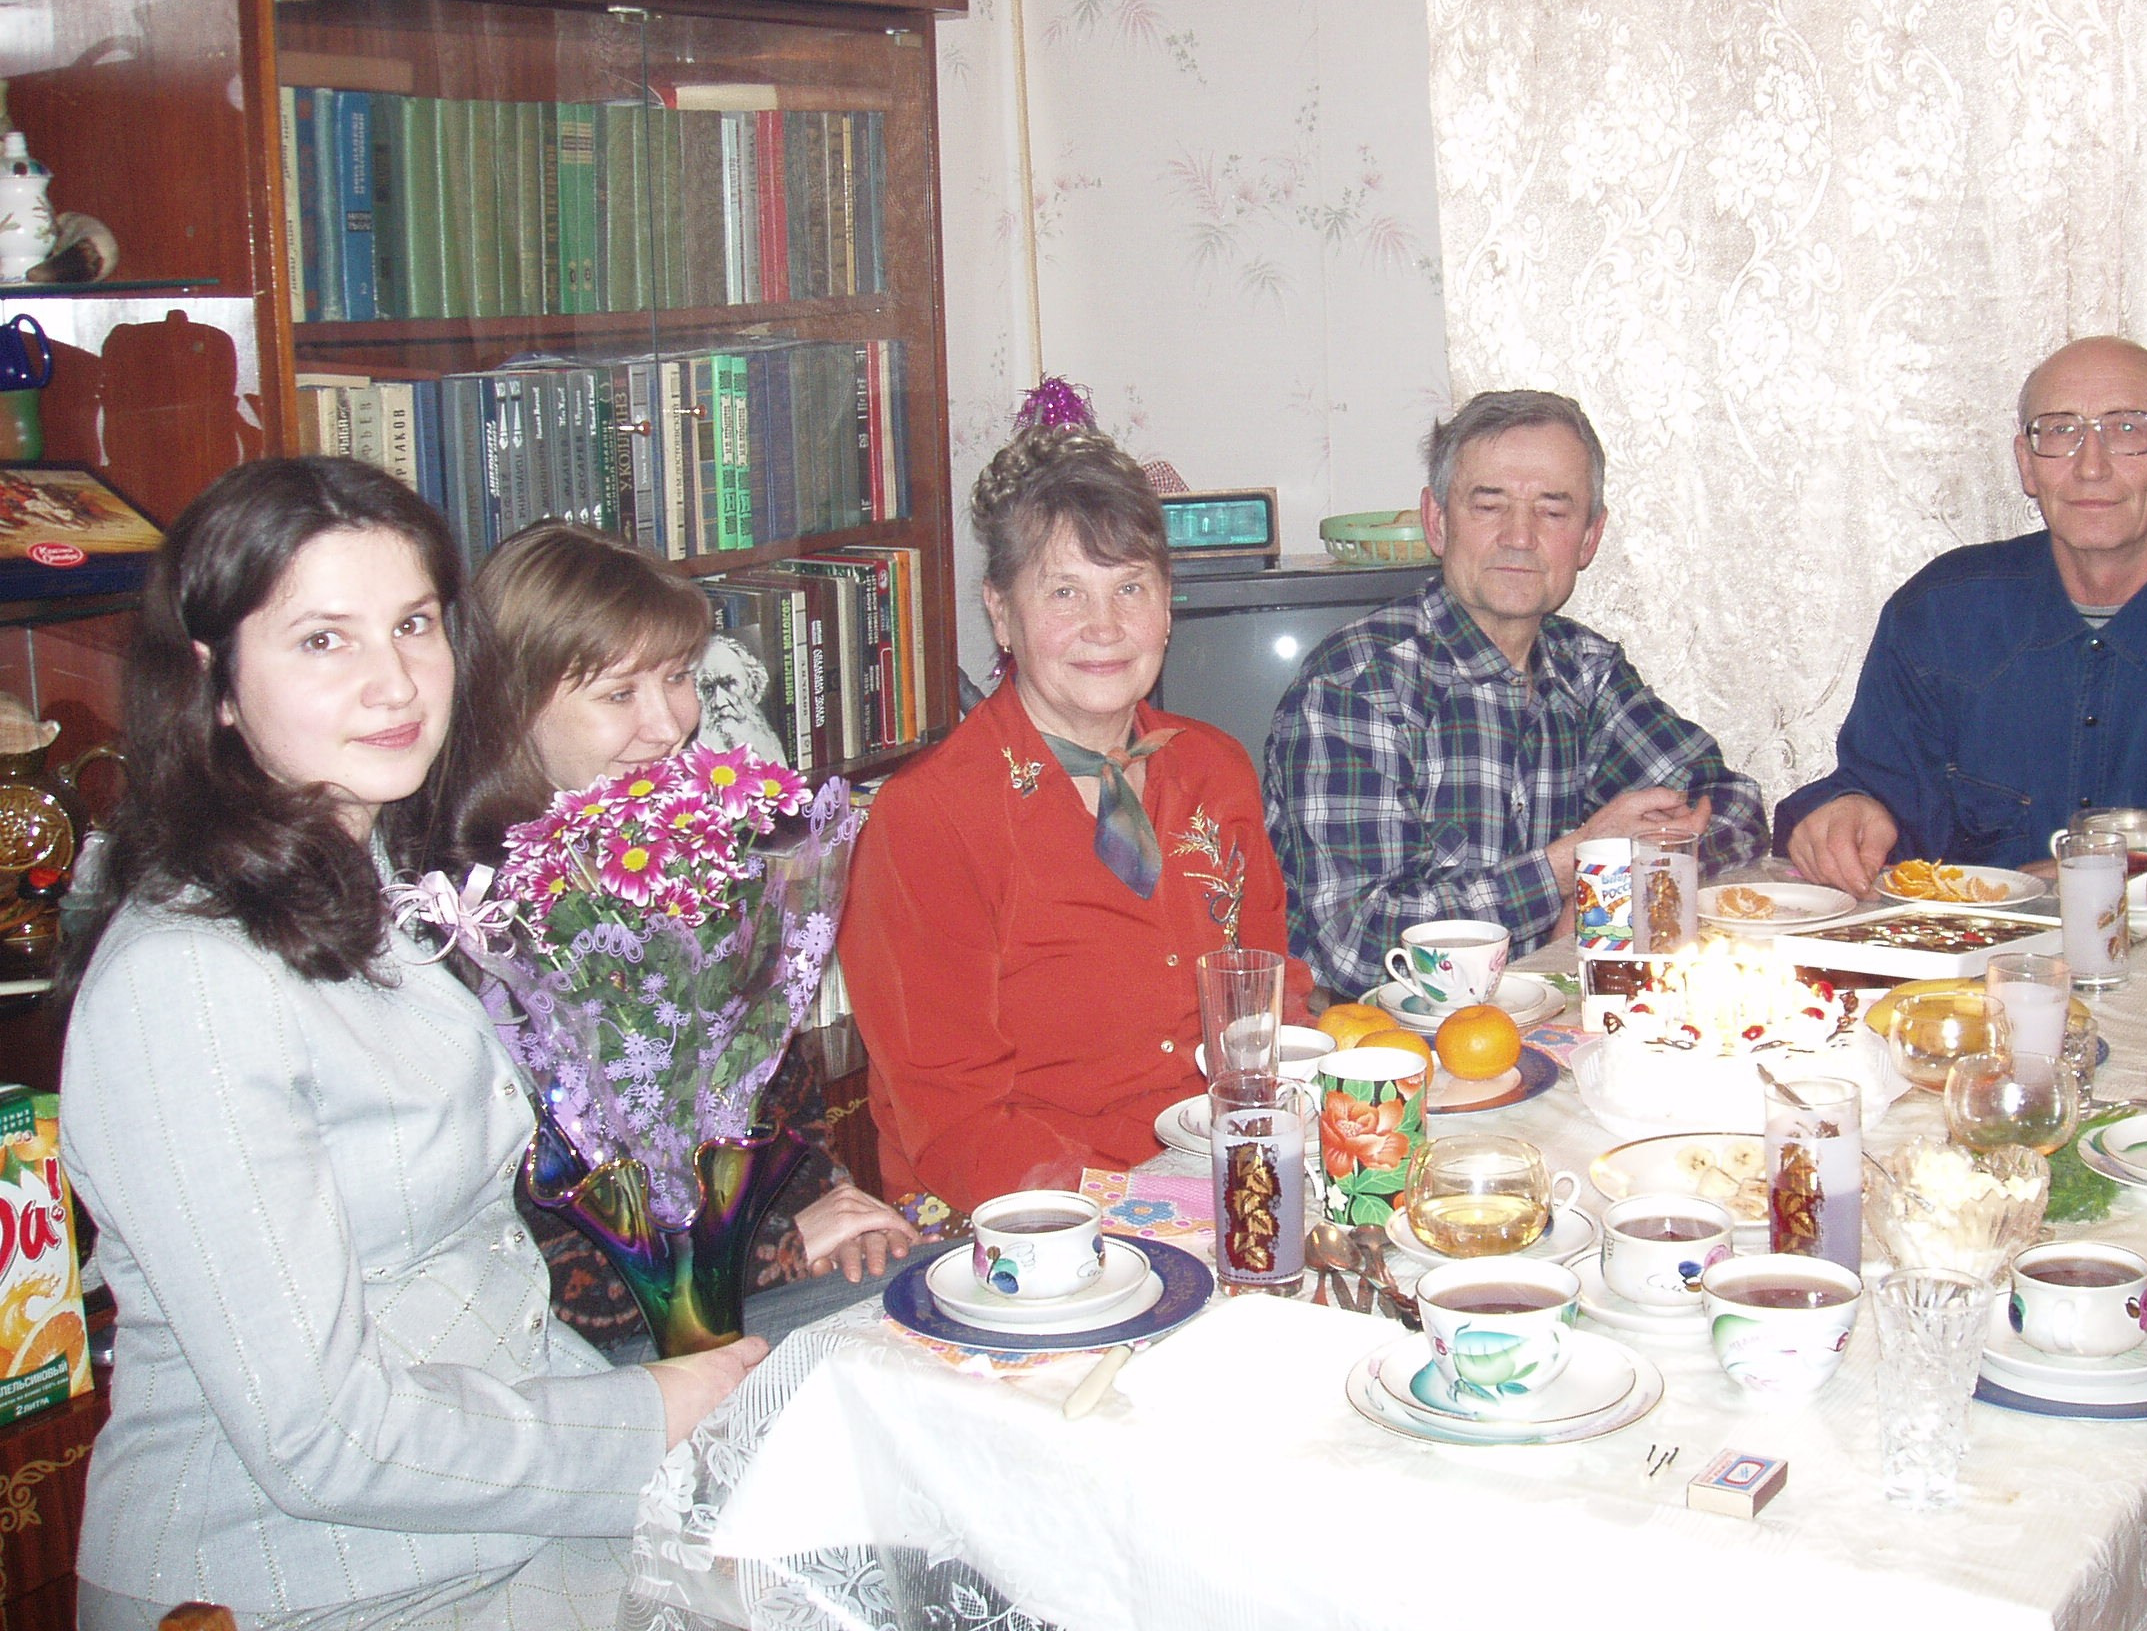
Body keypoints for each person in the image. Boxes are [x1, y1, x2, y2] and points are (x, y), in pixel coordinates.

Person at [57, 458, 763, 1630]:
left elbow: (480, 1277)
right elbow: (320, 1439)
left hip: (504, 1521)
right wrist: (654, 1414)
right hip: (301, 1580)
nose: (392, 683)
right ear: (215, 680)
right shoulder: (188, 983)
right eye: (321, 641)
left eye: (413, 625)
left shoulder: (383, 882)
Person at [445, 522, 914, 1353]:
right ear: (512, 703)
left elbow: (778, 1109)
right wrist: (771, 1250)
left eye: (677, 678)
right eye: (619, 694)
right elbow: (522, 1256)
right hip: (604, 1356)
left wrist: (835, 1205)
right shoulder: (472, 927)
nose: (668, 726)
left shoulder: (684, 855)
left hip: (754, 1288)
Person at [841, 424, 1313, 1214]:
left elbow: (1273, 1003)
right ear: (1001, 614)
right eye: (1065, 592)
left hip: (1225, 1179)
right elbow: (954, 1123)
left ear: (1167, 606)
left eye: (1130, 588)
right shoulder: (929, 819)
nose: (1105, 626)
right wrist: (1152, 1209)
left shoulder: (1214, 769)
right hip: (1023, 1216)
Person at [1777, 336, 2147, 895]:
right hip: (1978, 962)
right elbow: (1880, 797)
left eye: (2127, 429)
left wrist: (2116, 875)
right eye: (2060, 431)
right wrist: (1845, 815)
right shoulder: (1939, 615)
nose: (2090, 466)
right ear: (2027, 464)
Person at [1262, 389, 1766, 994]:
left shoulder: (1588, 671)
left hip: (1561, 1018)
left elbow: (1734, 805)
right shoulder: (1355, 685)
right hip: (1389, 1036)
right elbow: (1359, 946)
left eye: (1552, 512)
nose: (1519, 537)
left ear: (1589, 538)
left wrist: (1608, 880)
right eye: (1489, 506)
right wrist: (1571, 867)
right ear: (1437, 522)